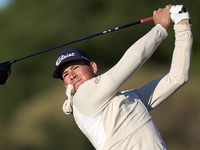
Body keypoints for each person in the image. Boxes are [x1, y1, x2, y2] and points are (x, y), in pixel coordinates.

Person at [53, 4, 192, 150]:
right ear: (65, 84)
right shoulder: (82, 98)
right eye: (66, 75)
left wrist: (182, 24)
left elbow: (178, 77)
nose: (72, 75)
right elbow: (135, 57)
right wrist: (160, 28)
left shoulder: (128, 98)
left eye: (75, 67)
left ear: (93, 67)